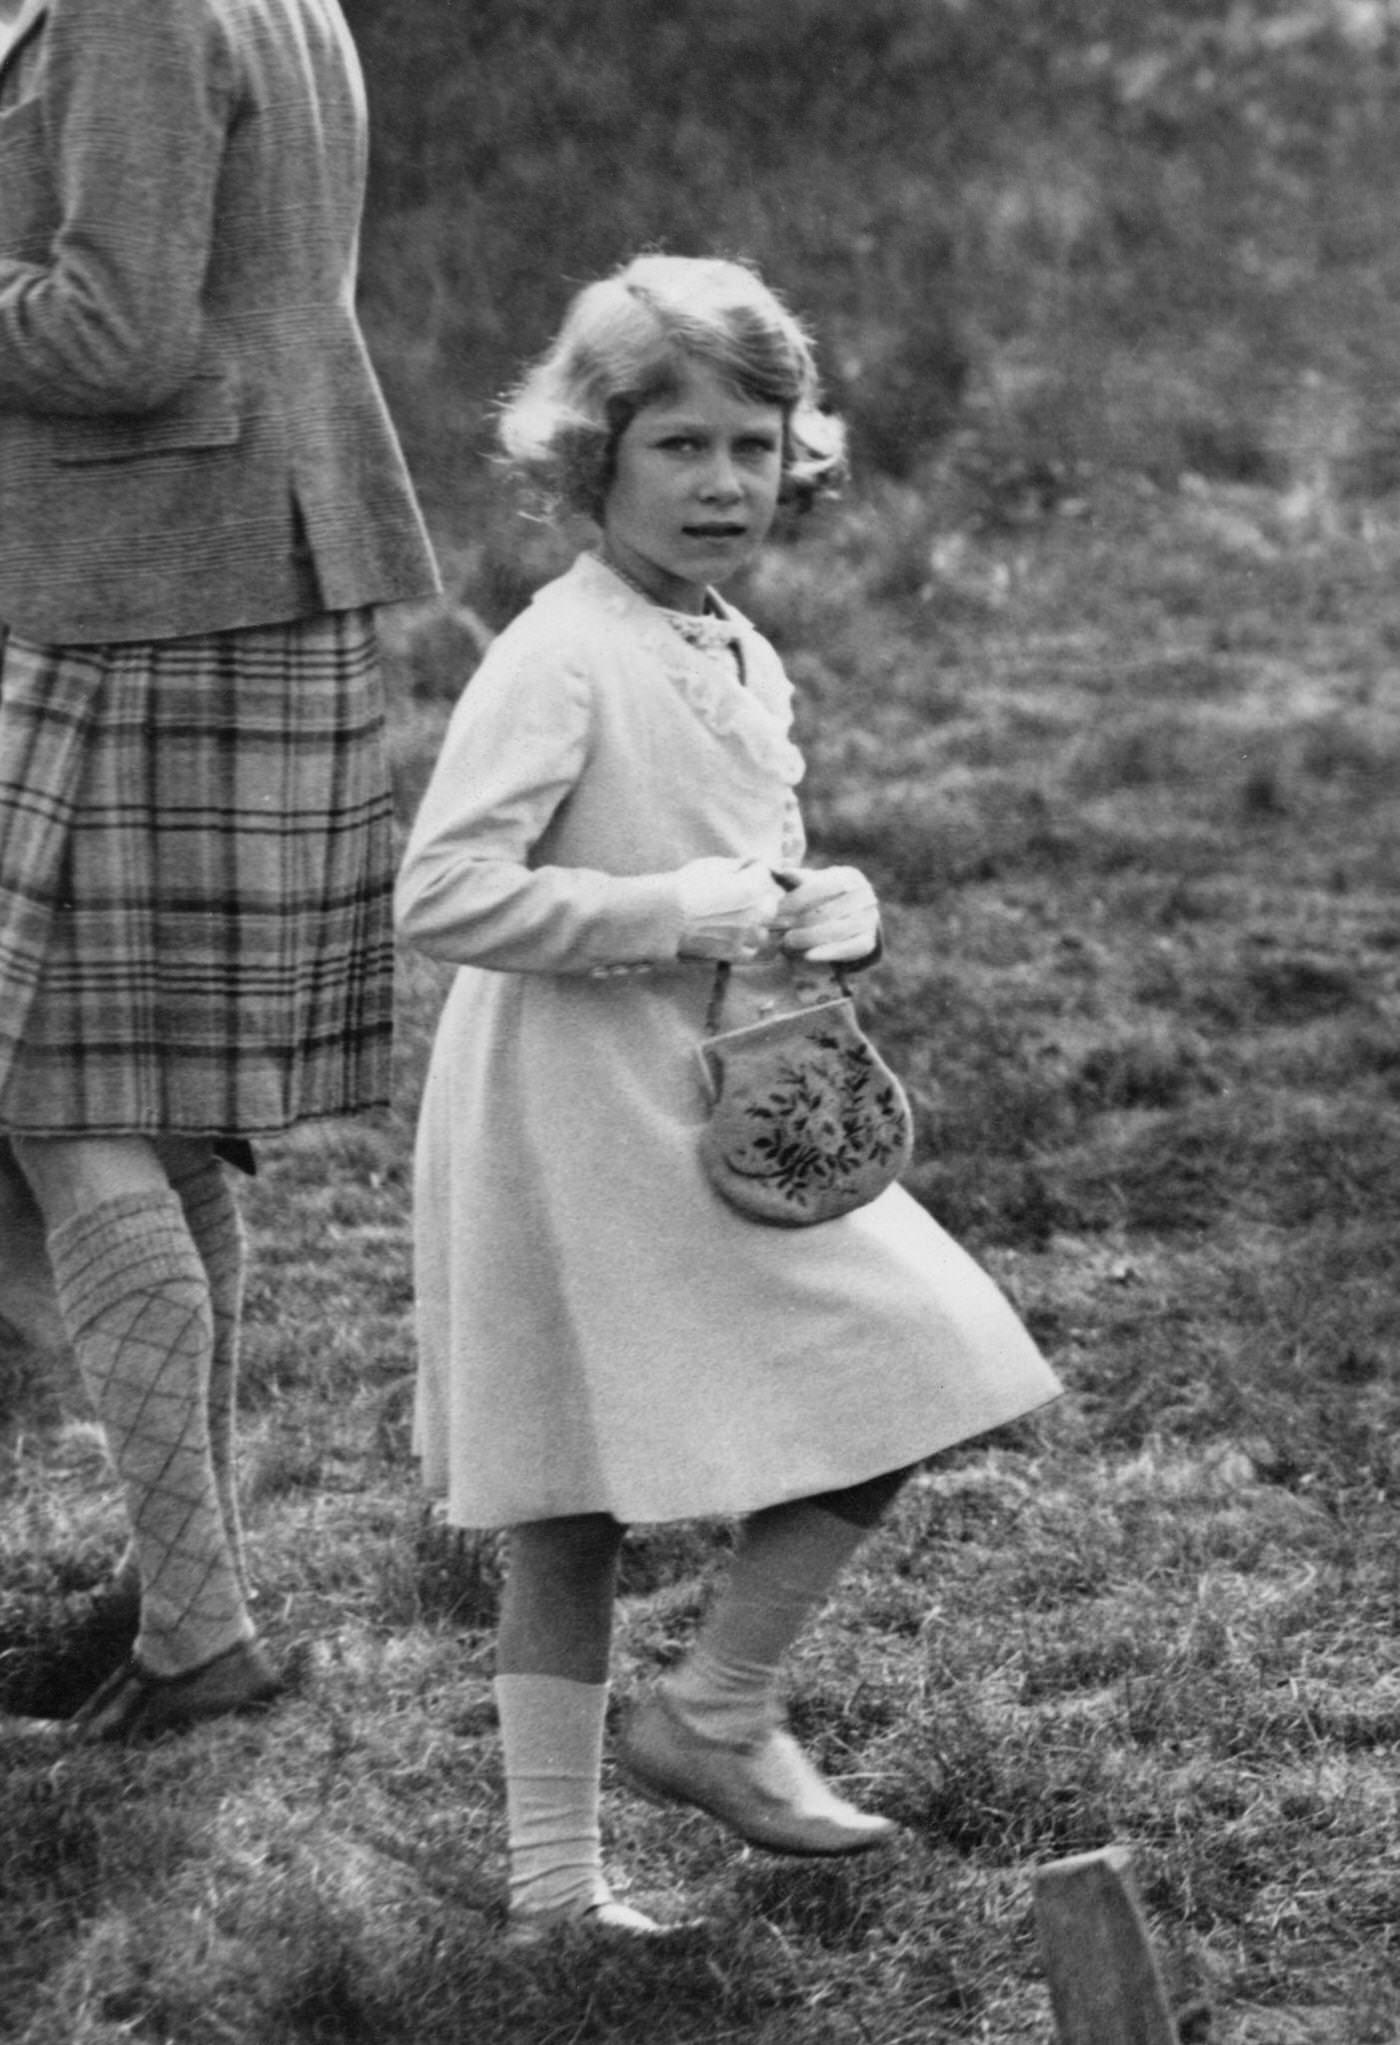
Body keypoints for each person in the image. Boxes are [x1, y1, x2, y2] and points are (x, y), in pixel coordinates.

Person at [395, 254, 1059, 1942]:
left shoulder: (735, 645)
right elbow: (444, 893)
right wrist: (669, 910)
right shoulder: (559, 652)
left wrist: (830, 908)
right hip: (560, 1101)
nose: (722, 483)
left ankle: (709, 1706)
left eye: (755, 445)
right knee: (566, 1492)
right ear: (591, 454)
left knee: (929, 1350)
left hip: (716, 1083)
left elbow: (740, 859)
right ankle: (561, 1884)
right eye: (678, 443)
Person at [0, 0, 439, 1740]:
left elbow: (117, 335)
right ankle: (192, 1607)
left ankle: (197, 1627)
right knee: (147, 1104)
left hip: (160, 576)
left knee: (56, 1091)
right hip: (212, 558)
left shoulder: (124, 6)